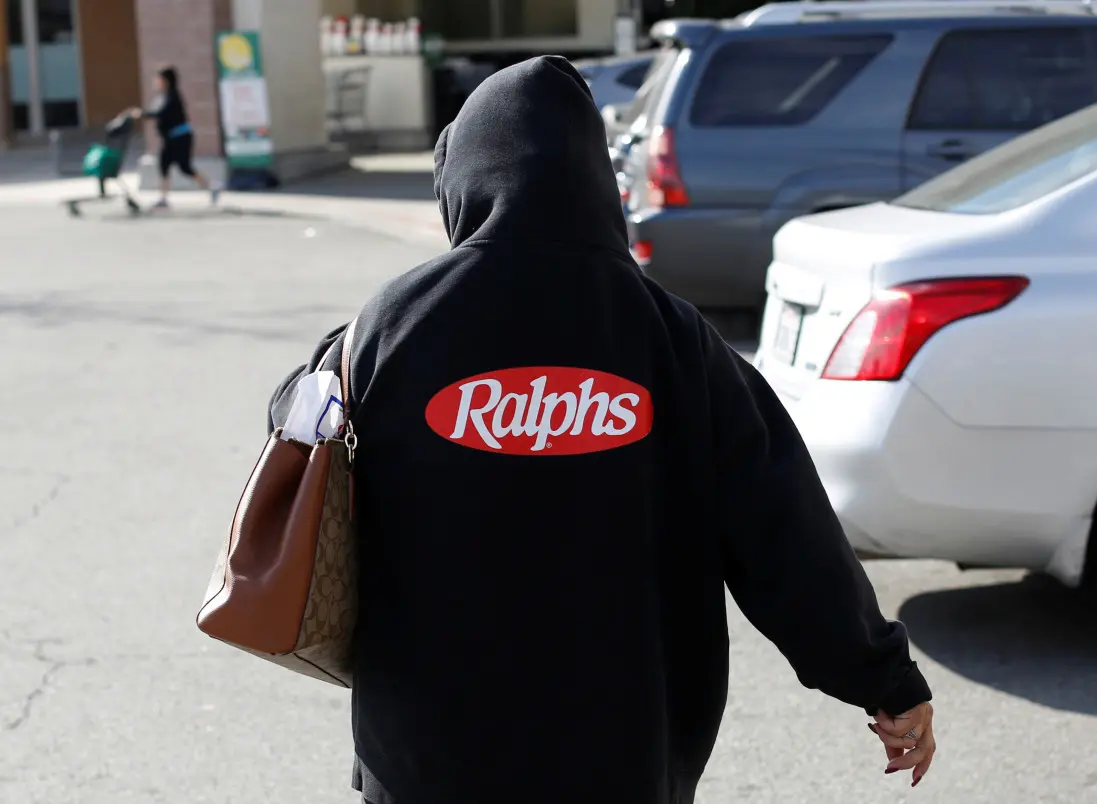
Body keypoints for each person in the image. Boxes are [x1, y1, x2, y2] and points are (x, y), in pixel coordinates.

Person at [268, 56, 936, 804]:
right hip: (623, 751)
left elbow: (293, 426)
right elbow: (786, 535)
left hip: (427, 757)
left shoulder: (387, 327)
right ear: (593, 179)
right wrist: (881, 677)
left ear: (461, 173)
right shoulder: (676, 341)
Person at [131, 65, 220, 210]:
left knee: (183, 166)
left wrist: (142, 114)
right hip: (173, 138)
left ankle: (211, 186)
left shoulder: (172, 96)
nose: (156, 81)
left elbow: (161, 113)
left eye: (159, 79)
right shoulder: (164, 95)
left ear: (166, 80)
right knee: (166, 164)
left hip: (179, 137)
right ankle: (165, 198)